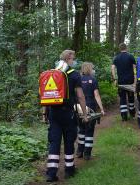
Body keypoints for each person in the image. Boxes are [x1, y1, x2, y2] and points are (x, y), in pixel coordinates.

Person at [45, 50, 88, 182]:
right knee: (69, 141)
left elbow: (47, 96)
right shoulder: (74, 75)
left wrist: (44, 114)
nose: (74, 60)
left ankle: (51, 173)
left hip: (53, 113)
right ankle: (69, 170)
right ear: (69, 58)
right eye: (73, 57)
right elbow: (80, 96)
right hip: (68, 113)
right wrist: (85, 115)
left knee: (54, 142)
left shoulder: (52, 73)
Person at [76, 62, 105, 160]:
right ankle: (87, 153)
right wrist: (101, 109)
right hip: (90, 107)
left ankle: (79, 151)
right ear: (89, 69)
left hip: (79, 107)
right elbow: (96, 95)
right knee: (89, 130)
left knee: (81, 129)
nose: (93, 70)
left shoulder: (78, 79)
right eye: (92, 68)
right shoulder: (93, 80)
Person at [111, 43, 136, 121]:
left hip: (121, 81)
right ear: (126, 48)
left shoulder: (116, 58)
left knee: (122, 98)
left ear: (119, 49)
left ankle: (124, 116)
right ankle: (132, 113)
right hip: (130, 81)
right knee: (131, 97)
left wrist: (115, 79)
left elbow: (112, 68)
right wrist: (135, 80)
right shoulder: (131, 56)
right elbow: (134, 69)